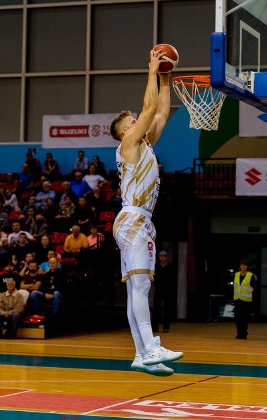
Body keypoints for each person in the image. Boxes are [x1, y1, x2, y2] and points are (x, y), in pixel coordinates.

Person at [109, 48, 181, 377]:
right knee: (140, 288)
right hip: (133, 218)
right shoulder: (127, 147)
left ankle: (141, 354)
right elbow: (149, 107)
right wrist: (152, 68)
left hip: (138, 221)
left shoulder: (145, 144)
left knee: (136, 288)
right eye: (133, 123)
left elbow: (161, 110)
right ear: (125, 132)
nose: (139, 123)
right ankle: (149, 346)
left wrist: (166, 77)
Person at [152, 250, 177, 334]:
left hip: (167, 291)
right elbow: (154, 278)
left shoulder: (171, 267)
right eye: (160, 256)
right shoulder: (156, 267)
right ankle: (155, 327)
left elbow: (173, 280)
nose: (162, 258)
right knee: (156, 309)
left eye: (164, 256)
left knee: (167, 309)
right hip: (158, 290)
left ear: (167, 257)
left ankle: (166, 327)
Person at [233, 259, 257, 340]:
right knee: (237, 318)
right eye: (241, 265)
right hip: (237, 299)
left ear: (247, 266)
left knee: (245, 318)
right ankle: (239, 332)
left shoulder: (251, 275)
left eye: (245, 265)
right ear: (240, 266)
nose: (243, 266)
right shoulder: (236, 275)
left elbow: (254, 287)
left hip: (246, 300)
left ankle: (243, 333)